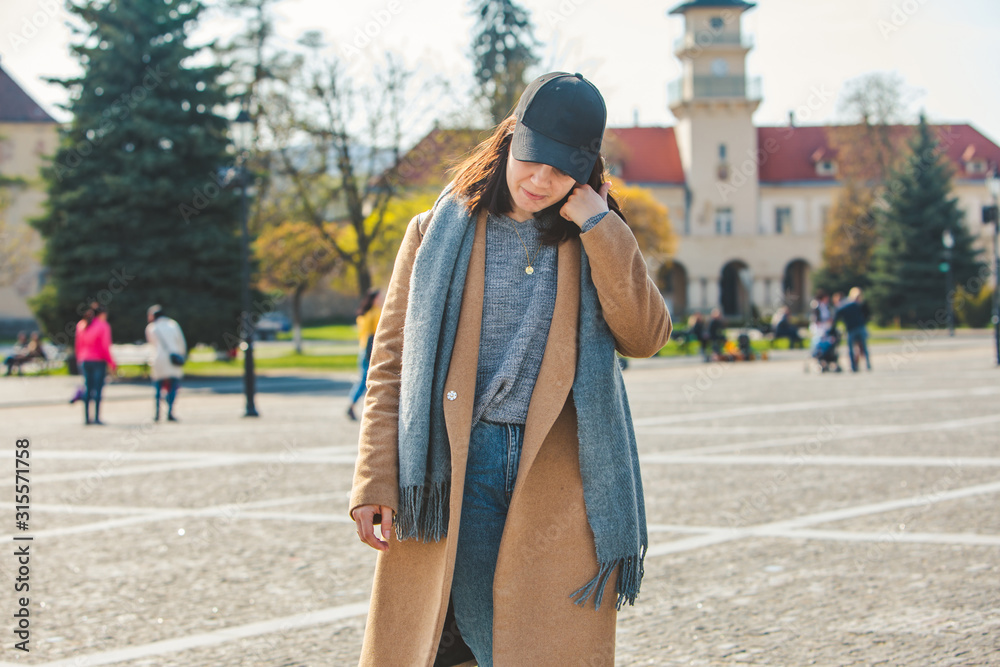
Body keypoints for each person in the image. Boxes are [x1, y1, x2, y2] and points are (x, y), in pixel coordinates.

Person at [349, 72, 671, 666]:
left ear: (585, 173)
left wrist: (601, 225)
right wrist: (374, 480)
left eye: (561, 171)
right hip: (458, 466)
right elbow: (390, 364)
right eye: (533, 161)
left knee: (543, 644)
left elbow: (646, 336)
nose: (541, 181)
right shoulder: (434, 234)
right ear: (509, 141)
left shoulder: (590, 238)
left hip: (557, 474)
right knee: (494, 638)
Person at [75, 303, 116, 425]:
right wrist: (111, 363)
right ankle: (97, 417)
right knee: (98, 389)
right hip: (98, 360)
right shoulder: (103, 326)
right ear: (102, 314)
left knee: (88, 388)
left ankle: (87, 418)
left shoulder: (81, 324)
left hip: (84, 360)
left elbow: (78, 345)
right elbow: (105, 346)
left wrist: (79, 360)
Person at [145, 305, 187, 421]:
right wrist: (181, 355)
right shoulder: (173, 324)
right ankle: (170, 412)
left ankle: (157, 413)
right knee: (173, 386)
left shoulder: (151, 327)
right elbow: (181, 342)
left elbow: (152, 343)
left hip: (158, 359)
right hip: (173, 358)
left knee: (158, 387)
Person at [346, 288, 383, 421]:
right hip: (370, 350)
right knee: (367, 381)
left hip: (363, 349)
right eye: (379, 297)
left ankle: (353, 405)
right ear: (374, 299)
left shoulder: (364, 314)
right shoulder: (376, 313)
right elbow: (378, 333)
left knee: (364, 380)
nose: (381, 299)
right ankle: (356, 407)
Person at [831, 287, 872, 372]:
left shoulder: (844, 306)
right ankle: (866, 365)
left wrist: (833, 326)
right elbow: (866, 314)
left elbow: (837, 315)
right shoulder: (856, 304)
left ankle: (854, 366)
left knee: (853, 349)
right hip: (858, 327)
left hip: (852, 329)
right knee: (862, 348)